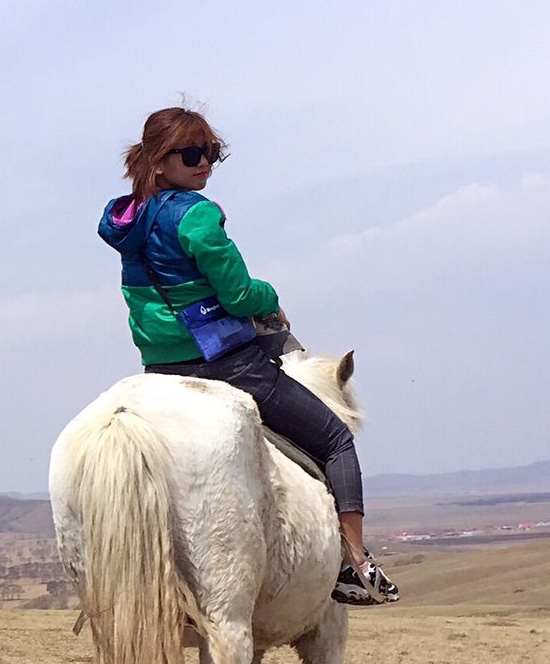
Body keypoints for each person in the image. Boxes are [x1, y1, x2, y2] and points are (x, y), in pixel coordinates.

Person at [98, 108, 398, 605]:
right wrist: (270, 298)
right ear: (157, 160)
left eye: (212, 154)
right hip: (225, 364)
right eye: (192, 154)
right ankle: (356, 566)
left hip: (159, 369)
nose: (205, 165)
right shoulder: (197, 214)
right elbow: (237, 295)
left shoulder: (126, 224)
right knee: (337, 439)